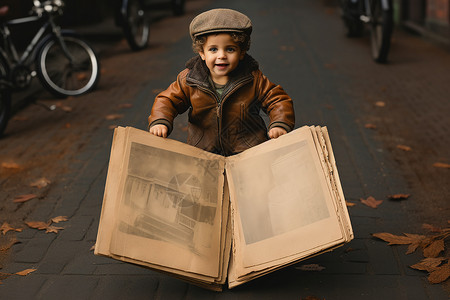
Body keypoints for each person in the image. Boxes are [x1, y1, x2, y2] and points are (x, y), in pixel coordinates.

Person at [148, 8, 295, 156]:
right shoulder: (189, 80)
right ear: (202, 53)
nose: (222, 55)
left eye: (230, 49)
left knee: (251, 178)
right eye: (213, 49)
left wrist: (279, 123)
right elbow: (167, 100)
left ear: (242, 52)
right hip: (204, 151)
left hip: (248, 151)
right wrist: (161, 120)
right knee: (204, 179)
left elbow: (277, 99)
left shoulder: (253, 78)